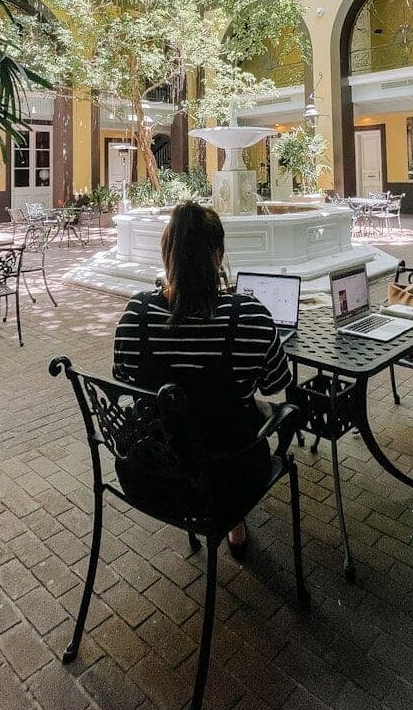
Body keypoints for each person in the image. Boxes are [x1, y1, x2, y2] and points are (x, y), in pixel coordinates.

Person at [112, 201, 291, 559]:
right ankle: (233, 525)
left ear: (166, 252)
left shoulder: (136, 315)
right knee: (253, 412)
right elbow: (276, 382)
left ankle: (219, 520)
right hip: (232, 475)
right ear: (219, 255)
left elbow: (122, 377)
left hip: (151, 474)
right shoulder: (250, 316)